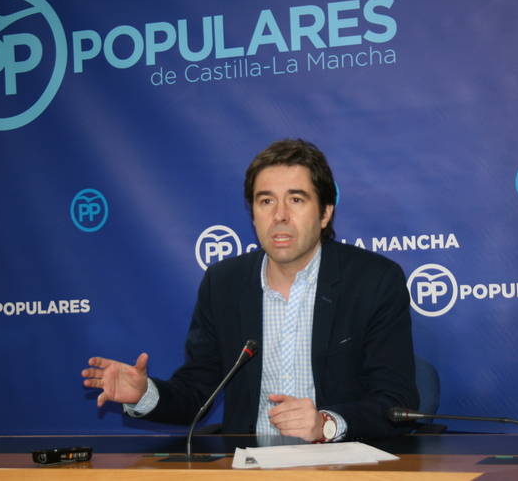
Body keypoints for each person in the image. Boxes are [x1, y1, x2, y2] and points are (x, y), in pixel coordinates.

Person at [82, 138, 419, 441]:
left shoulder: (374, 281)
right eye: (266, 201)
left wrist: (325, 424)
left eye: (296, 199)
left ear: (325, 213)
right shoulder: (223, 284)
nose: (280, 216)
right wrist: (144, 394)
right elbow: (197, 392)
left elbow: (396, 402)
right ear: (254, 214)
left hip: (343, 467)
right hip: (248, 466)